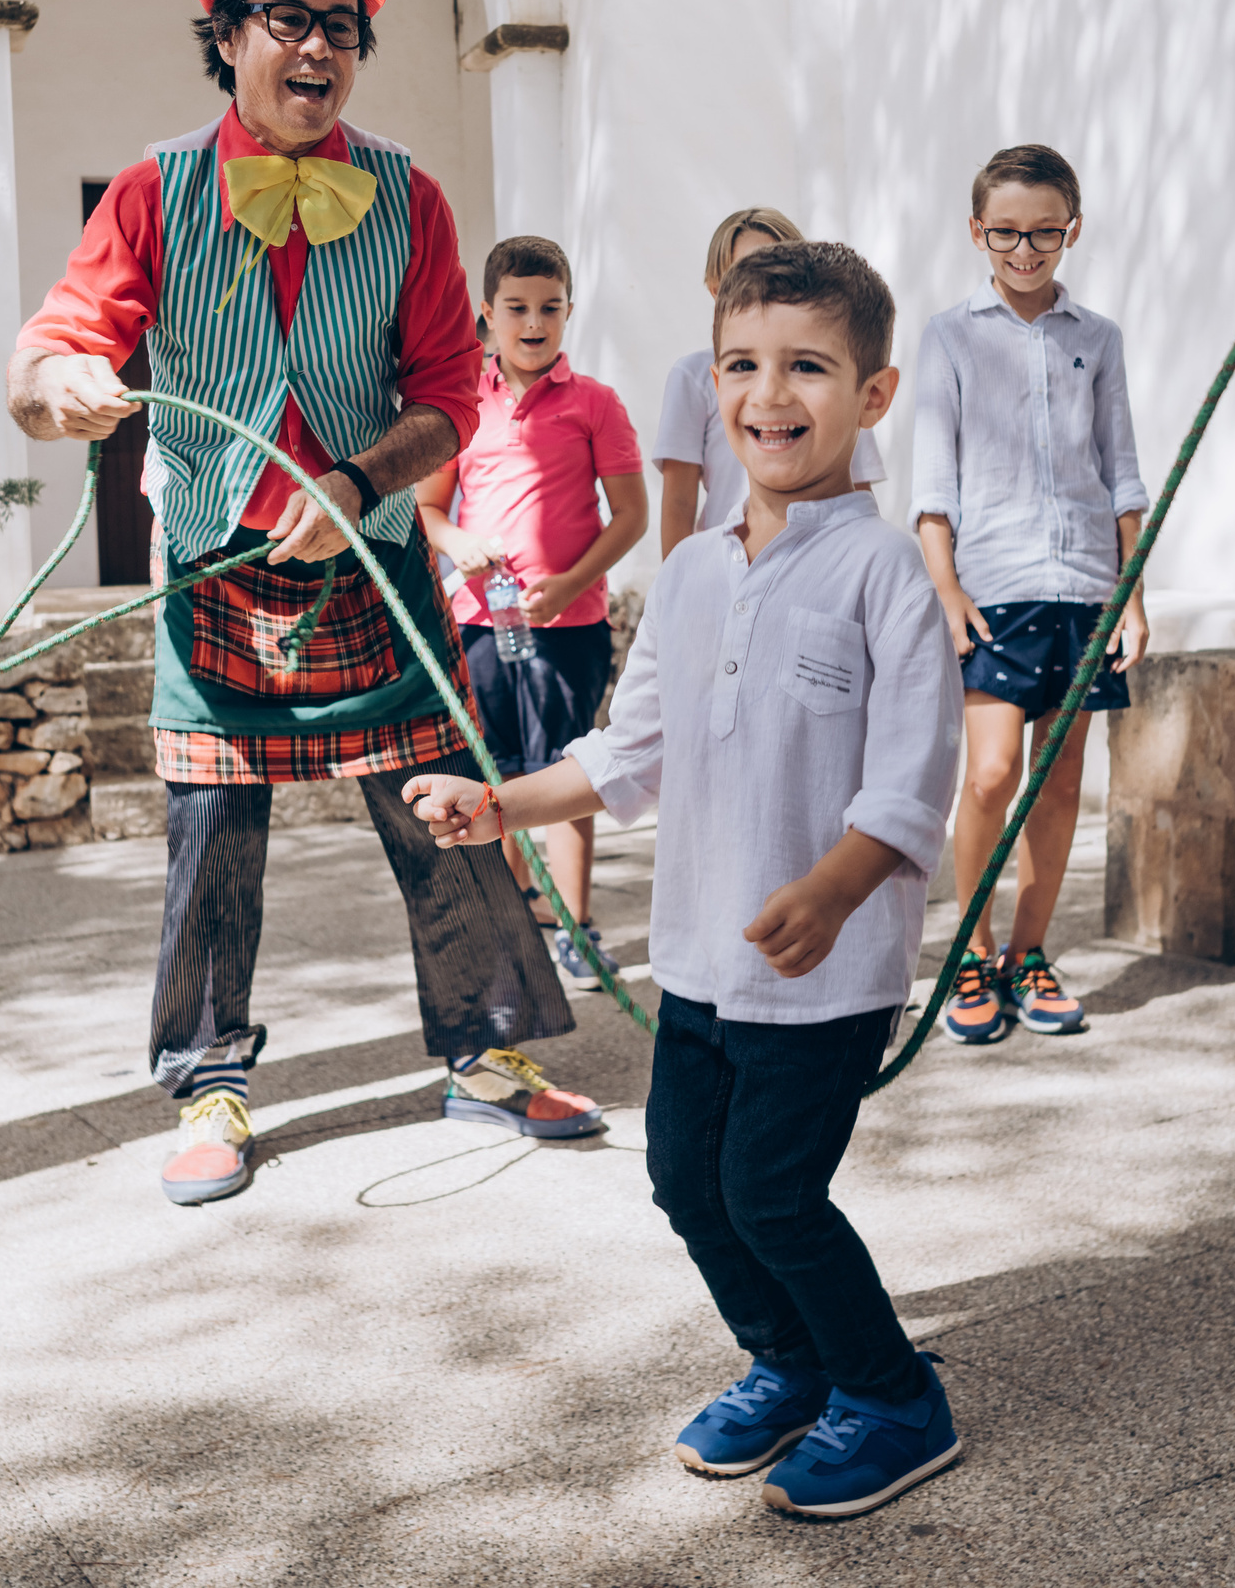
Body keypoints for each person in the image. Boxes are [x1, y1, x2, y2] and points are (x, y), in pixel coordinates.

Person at [7, 0, 602, 1210]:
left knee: (444, 805)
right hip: (214, 566)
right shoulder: (157, 190)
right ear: (227, 37)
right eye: (288, 18)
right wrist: (60, 388)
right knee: (213, 828)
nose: (317, 47)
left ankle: (486, 1049)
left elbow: (450, 390)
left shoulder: (412, 198)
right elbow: (50, 351)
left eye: (340, 26)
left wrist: (355, 479)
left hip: (374, 556)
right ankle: (212, 1079)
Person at [406, 243, 966, 1520]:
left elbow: (908, 780)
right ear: (713, 383)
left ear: (871, 396)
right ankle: (789, 1361)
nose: (771, 395)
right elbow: (626, 751)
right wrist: (500, 805)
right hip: (700, 954)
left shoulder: (883, 573)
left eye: (808, 367)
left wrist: (832, 890)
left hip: (821, 976)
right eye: (744, 365)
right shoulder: (695, 570)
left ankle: (889, 1394)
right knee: (681, 1180)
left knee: (770, 1189)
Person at [908, 144, 1149, 1046]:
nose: (1024, 248)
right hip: (994, 587)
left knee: (1059, 783)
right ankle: (968, 952)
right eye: (1005, 231)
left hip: (1086, 583)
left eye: (1044, 231)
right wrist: (945, 589)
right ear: (978, 231)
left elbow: (1122, 476)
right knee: (995, 772)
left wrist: (1130, 595)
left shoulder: (1099, 339)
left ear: (1071, 231)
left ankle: (1029, 954)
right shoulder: (949, 336)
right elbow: (933, 487)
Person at [416, 235, 648, 990]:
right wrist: (460, 542)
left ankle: (574, 926)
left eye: (550, 308)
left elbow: (632, 515)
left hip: (569, 626)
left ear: (569, 312)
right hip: (482, 624)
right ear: (487, 313)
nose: (534, 322)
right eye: (516, 308)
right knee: (498, 775)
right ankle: (515, 921)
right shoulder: (462, 404)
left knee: (568, 774)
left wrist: (573, 579)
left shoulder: (596, 404)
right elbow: (427, 508)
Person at [653, 207, 886, 559]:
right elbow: (678, 502)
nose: (768, 393)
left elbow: (859, 484)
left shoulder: (838, 377)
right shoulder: (692, 375)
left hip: (822, 557)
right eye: (744, 276)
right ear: (717, 291)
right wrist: (676, 586)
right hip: (726, 563)